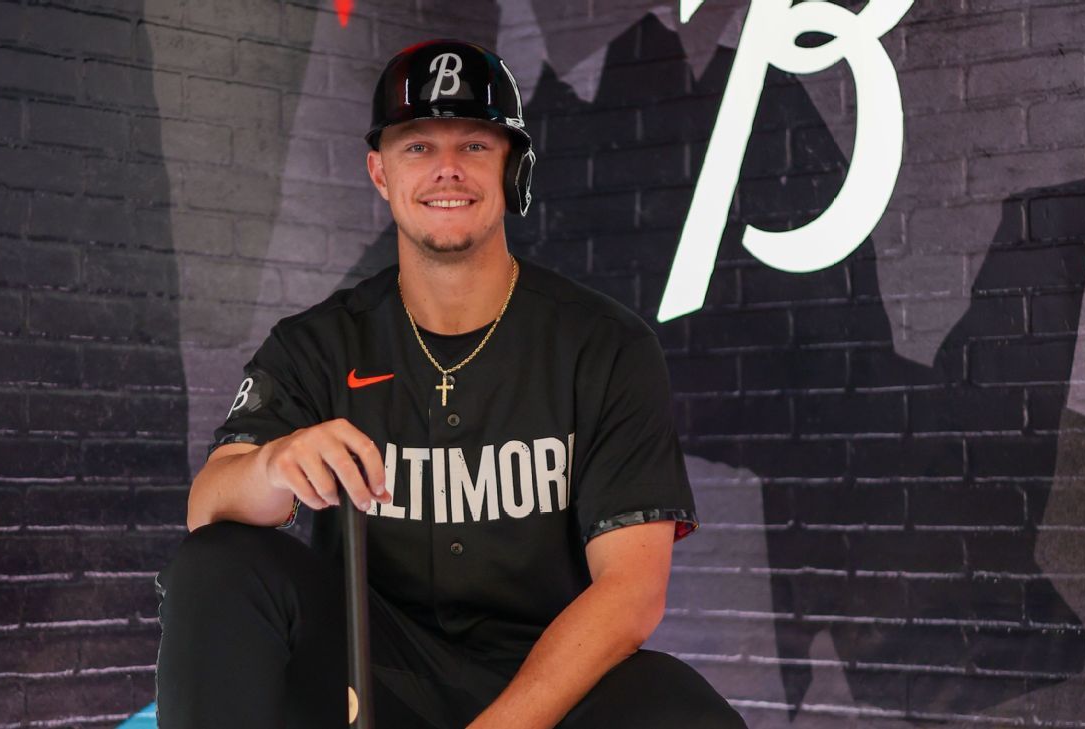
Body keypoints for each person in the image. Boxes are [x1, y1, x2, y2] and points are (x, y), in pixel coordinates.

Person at [154, 38, 746, 729]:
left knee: (685, 714)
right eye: (417, 147)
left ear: (512, 168)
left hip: (547, 679)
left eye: (474, 146)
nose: (446, 170)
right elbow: (208, 503)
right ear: (379, 171)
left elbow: (632, 591)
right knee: (219, 562)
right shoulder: (318, 343)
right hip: (369, 666)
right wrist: (272, 462)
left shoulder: (605, 346)